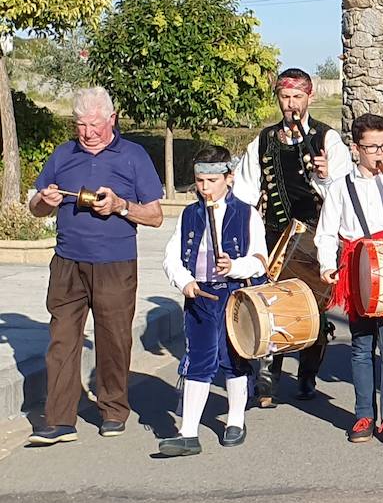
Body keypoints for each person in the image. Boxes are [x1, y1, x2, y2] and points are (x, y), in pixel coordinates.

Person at [26, 87, 165, 446]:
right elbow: (35, 207)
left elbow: (155, 215)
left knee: (114, 339)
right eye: (80, 124)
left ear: (112, 120)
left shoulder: (133, 156)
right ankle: (59, 420)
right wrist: (44, 200)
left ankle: (113, 409)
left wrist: (120, 206)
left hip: (115, 263)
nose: (87, 132)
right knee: (62, 339)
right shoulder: (63, 154)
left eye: (94, 124)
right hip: (67, 262)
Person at [233, 68, 351, 406]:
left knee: (312, 307)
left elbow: (343, 195)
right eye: (285, 97)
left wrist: (325, 178)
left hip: (316, 239)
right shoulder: (264, 140)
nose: (291, 104)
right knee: (272, 307)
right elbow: (244, 192)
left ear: (309, 98)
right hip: (274, 238)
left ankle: (308, 375)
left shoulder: (327, 140)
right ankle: (268, 380)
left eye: (297, 97)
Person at [317, 113, 383, 445]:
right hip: (357, 267)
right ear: (355, 148)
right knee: (361, 347)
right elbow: (326, 232)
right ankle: (364, 414)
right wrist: (325, 264)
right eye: (371, 147)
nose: (379, 153)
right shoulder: (339, 187)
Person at [157, 146, 268, 456]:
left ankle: (235, 420)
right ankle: (188, 433)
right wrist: (185, 282)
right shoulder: (189, 213)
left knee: (234, 357)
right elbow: (172, 256)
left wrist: (235, 266)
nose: (204, 188)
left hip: (235, 297)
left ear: (228, 179)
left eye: (211, 181)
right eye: (199, 181)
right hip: (201, 296)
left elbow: (261, 259)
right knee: (198, 358)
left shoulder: (247, 213)